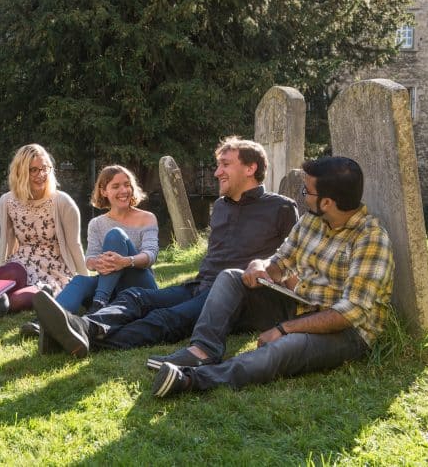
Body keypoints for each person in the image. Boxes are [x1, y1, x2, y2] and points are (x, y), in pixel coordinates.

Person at [150, 157, 394, 397]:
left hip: (346, 331)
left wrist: (283, 329)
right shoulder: (313, 220)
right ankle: (202, 351)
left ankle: (192, 380)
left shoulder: (370, 238)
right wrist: (261, 265)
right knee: (231, 277)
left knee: (284, 348)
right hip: (302, 306)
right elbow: (281, 263)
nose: (303, 196)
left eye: (307, 191)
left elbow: (348, 314)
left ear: (328, 202)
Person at [33, 137, 298, 357]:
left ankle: (75, 339)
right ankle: (86, 326)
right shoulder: (220, 206)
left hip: (239, 296)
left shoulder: (282, 208)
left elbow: (294, 264)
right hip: (201, 285)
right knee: (136, 297)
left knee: (167, 318)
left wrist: (296, 316)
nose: (217, 172)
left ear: (250, 168)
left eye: (225, 165)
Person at [0, 144, 87, 311]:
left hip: (53, 270)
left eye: (44, 168)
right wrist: (0, 273)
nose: (40, 175)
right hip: (20, 263)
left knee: (16, 301)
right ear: (20, 172)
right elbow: (5, 244)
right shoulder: (7, 201)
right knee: (5, 276)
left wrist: (85, 282)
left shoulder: (62, 201)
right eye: (33, 170)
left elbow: (74, 244)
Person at [54, 165, 159, 314]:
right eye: (116, 186)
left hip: (141, 287)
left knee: (115, 235)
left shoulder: (147, 218)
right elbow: (90, 258)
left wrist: (125, 261)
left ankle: (99, 302)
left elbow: (151, 255)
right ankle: (44, 322)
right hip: (111, 286)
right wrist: (96, 262)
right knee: (80, 281)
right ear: (104, 191)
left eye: (127, 185)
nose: (123, 191)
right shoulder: (96, 224)